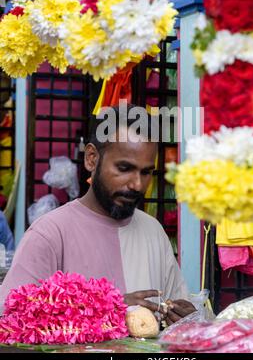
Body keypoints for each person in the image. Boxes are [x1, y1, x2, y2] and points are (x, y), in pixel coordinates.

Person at [0, 105, 195, 324]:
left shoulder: (153, 231)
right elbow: (12, 321)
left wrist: (185, 319)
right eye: (124, 168)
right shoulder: (50, 234)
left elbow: (173, 313)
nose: (137, 184)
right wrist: (107, 309)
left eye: (146, 172)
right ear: (92, 158)